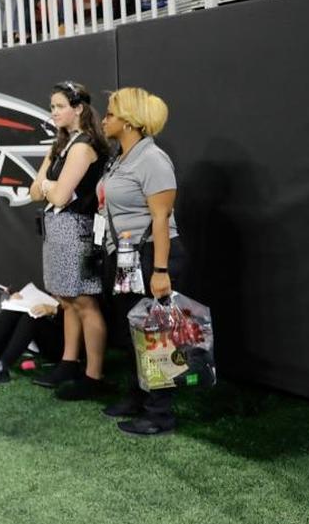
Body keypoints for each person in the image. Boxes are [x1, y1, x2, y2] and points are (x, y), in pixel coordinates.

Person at [99, 87, 186, 436]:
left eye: (110, 114)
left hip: (152, 254)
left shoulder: (152, 159)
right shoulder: (122, 158)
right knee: (133, 330)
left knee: (158, 336)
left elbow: (161, 218)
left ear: (129, 122)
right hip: (127, 256)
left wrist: (160, 271)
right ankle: (137, 396)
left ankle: (159, 414)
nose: (104, 119)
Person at [29, 82, 110, 399]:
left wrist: (49, 186)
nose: (54, 112)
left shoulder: (83, 145)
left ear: (78, 108)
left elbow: (60, 196)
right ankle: (68, 362)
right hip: (57, 227)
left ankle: (94, 375)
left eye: (60, 106)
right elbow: (34, 192)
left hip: (79, 228)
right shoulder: (62, 144)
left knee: (85, 302)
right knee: (66, 299)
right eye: (52, 106)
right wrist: (50, 186)